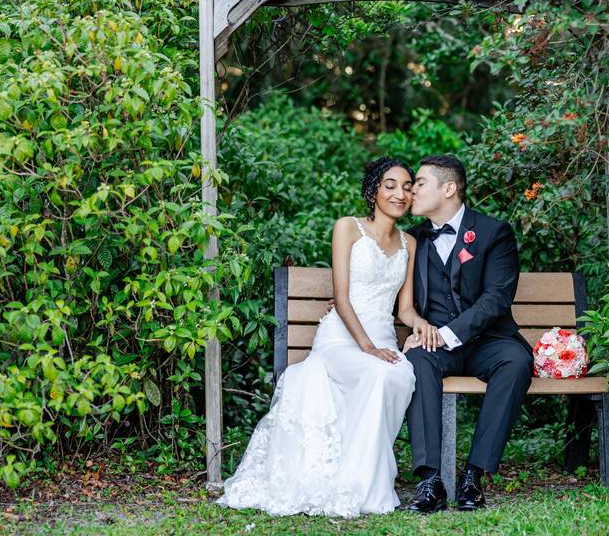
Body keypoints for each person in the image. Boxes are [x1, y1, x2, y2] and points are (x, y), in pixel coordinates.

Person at [216, 156, 433, 517]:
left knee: (400, 373)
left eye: (407, 187)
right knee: (377, 371)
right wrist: (367, 347)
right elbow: (342, 297)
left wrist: (421, 324)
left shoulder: (410, 243)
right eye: (390, 185)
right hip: (341, 338)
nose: (399, 193)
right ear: (373, 190)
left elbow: (404, 310)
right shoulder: (347, 228)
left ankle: (363, 480)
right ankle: (355, 483)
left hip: (381, 337)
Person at [403, 154, 533, 513]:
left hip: (488, 342)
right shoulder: (412, 240)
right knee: (417, 358)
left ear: (449, 188)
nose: (413, 190)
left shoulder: (493, 233)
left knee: (517, 360)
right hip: (434, 344)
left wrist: (446, 334)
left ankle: (473, 476)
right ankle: (430, 481)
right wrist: (417, 329)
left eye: (420, 183)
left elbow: (496, 299)